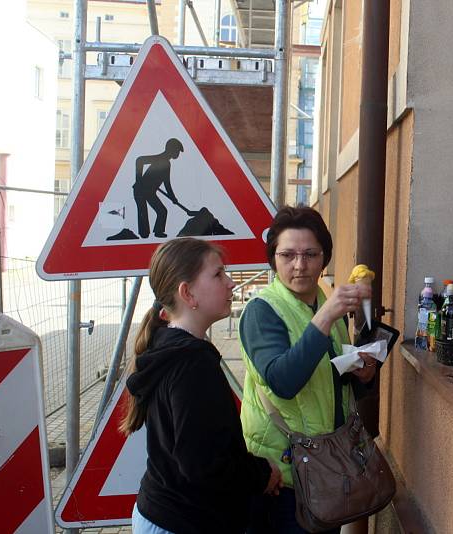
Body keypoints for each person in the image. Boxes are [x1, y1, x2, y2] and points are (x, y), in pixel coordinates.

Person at [120, 238, 281, 534]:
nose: (231, 283)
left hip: (161, 513)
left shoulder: (169, 345)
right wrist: (261, 475)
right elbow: (203, 464)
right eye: (218, 274)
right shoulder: (191, 363)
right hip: (181, 522)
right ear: (187, 292)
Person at [239, 206, 377, 533]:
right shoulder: (263, 311)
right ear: (273, 259)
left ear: (324, 258)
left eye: (310, 254)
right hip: (282, 475)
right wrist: (326, 317)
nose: (299, 266)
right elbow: (282, 381)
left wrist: (364, 377)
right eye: (287, 255)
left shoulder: (324, 301)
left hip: (327, 466)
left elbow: (332, 379)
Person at [133, 138, 183, 238]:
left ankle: (158, 232)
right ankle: (144, 235)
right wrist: (139, 181)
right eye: (177, 151)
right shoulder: (160, 158)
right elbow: (139, 160)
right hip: (140, 190)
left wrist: (173, 198)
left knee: (162, 211)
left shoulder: (167, 164)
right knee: (143, 212)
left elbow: (167, 183)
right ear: (171, 150)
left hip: (150, 192)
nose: (178, 154)